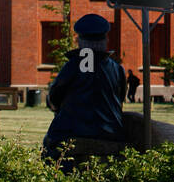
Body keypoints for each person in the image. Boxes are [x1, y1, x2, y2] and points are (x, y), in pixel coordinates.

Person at [42, 14, 126, 170]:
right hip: (111, 136)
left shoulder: (73, 66)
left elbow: (54, 99)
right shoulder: (116, 69)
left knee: (49, 153)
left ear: (79, 41)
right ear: (105, 40)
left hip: (71, 134)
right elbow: (120, 100)